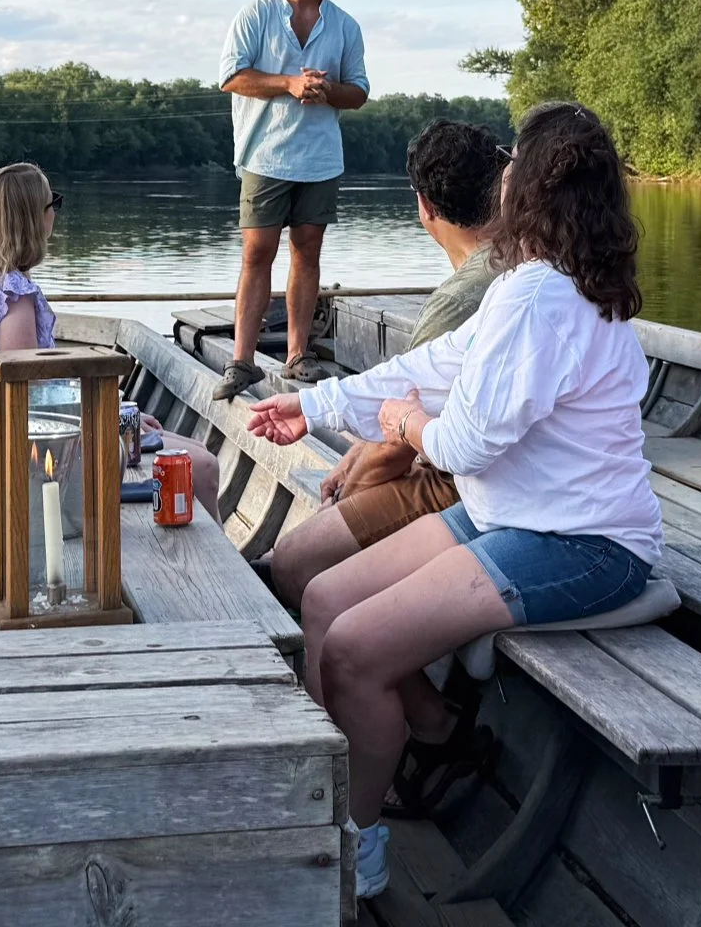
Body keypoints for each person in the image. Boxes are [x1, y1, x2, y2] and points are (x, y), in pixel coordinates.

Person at [244, 102, 662, 901]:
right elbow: (436, 365)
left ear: (523, 188)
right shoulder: (544, 284)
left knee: (357, 652)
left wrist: (403, 424)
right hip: (513, 514)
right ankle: (323, 799)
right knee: (326, 598)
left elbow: (463, 443)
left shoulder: (539, 298)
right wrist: (319, 405)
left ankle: (354, 847)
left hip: (581, 545)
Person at [264, 121, 506, 604]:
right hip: (467, 461)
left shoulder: (463, 298)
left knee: (295, 561)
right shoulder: (516, 262)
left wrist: (348, 499)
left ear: (425, 207)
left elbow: (401, 433)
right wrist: (356, 452)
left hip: (459, 484)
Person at [0, 162, 223, 518]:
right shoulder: (13, 294)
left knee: (191, 448)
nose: (54, 214)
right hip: (23, 448)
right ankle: (219, 571)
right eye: (51, 204)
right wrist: (111, 416)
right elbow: (30, 399)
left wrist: (121, 413)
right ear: (32, 219)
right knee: (203, 465)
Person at [214, 0, 370, 400]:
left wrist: (326, 91)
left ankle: (297, 356)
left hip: (319, 161)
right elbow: (232, 78)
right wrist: (289, 82)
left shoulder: (345, 26)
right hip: (265, 156)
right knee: (256, 254)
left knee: (307, 255)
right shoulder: (256, 14)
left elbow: (359, 93)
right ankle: (242, 362)